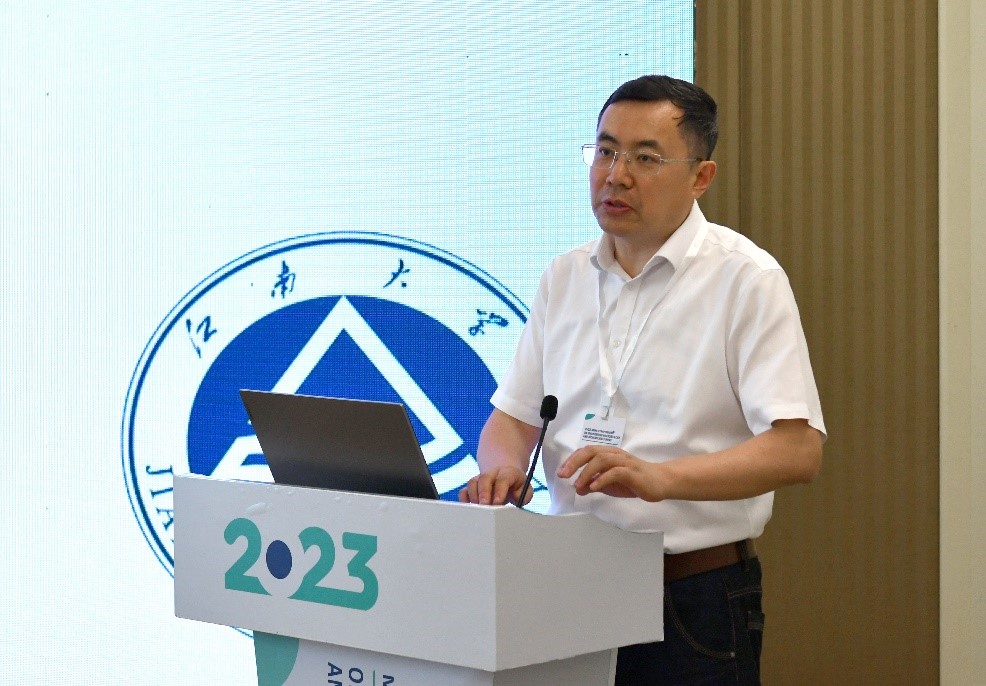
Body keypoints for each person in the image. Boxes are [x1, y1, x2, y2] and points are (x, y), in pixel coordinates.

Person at [459, 75, 826, 685]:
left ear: (701, 177)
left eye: (645, 158)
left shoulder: (746, 279)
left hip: (689, 597)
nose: (616, 175)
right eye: (604, 151)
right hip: (564, 586)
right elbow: (514, 418)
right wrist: (501, 469)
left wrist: (661, 479)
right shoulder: (565, 276)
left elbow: (798, 449)